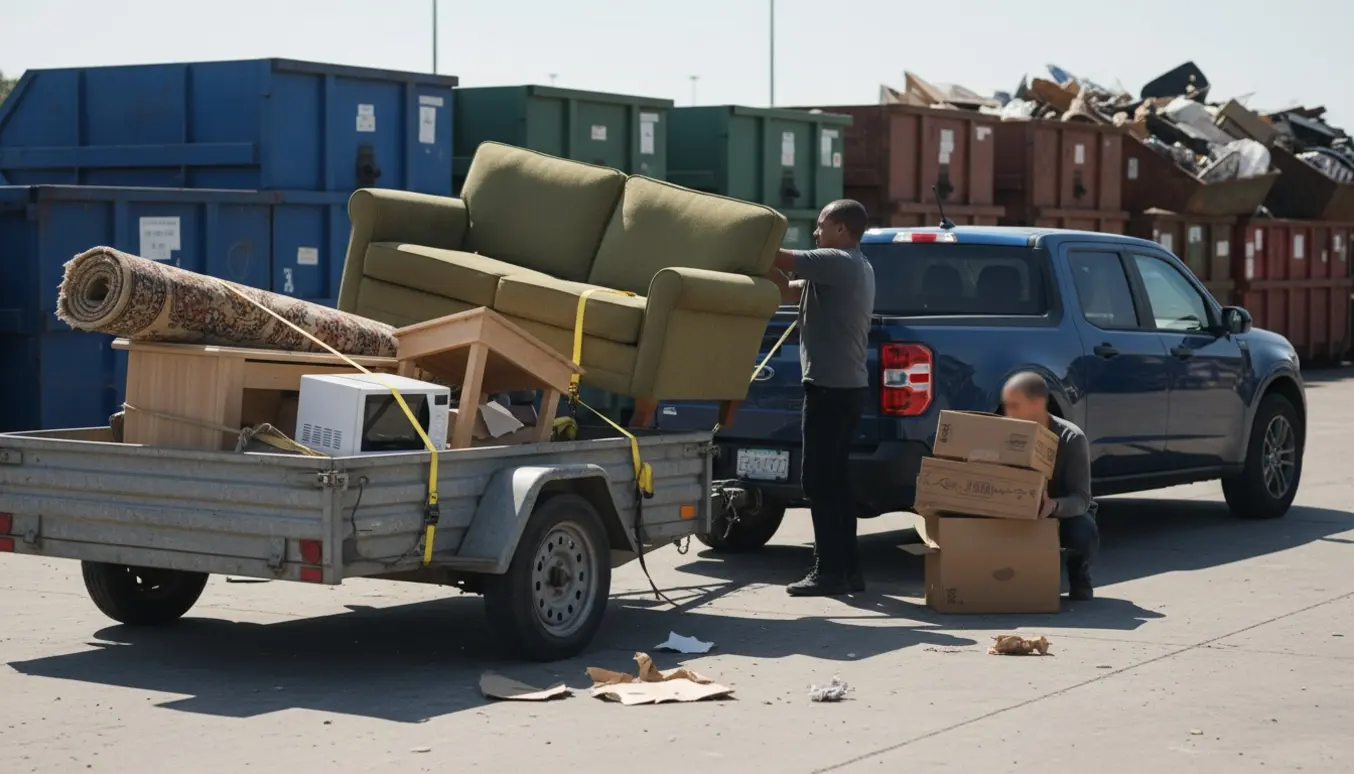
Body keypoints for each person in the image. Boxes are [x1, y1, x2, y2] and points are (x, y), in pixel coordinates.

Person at [765, 200, 876, 597]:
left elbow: (777, 255)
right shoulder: (851, 267)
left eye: (822, 224)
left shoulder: (838, 260)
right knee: (836, 482)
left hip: (830, 390)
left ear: (842, 230)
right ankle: (849, 571)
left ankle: (828, 572)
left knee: (817, 481)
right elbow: (784, 288)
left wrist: (743, 235)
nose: (816, 230)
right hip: (845, 389)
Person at [1000, 372, 1100, 601]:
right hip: (1014, 509)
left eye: (1015, 405)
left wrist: (1053, 506)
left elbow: (1082, 498)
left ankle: (1079, 575)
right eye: (1007, 405)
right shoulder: (1002, 432)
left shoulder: (1071, 438)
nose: (1008, 413)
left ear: (1038, 403)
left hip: (1060, 512)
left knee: (1082, 530)